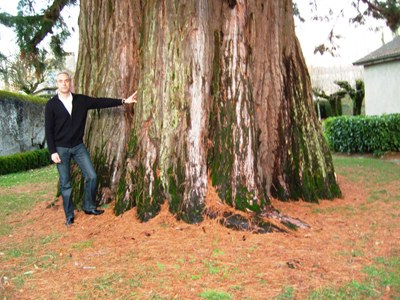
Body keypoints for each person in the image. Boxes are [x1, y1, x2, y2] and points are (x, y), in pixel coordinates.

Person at [45, 72, 137, 226]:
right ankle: (69, 216)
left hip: (78, 146)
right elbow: (48, 129)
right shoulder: (51, 105)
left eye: (66, 81)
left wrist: (123, 101)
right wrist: (52, 151)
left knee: (92, 176)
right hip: (61, 149)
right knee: (65, 183)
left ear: (70, 83)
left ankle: (89, 206)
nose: (64, 84)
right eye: (60, 81)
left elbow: (100, 102)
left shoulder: (81, 100)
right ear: (57, 84)